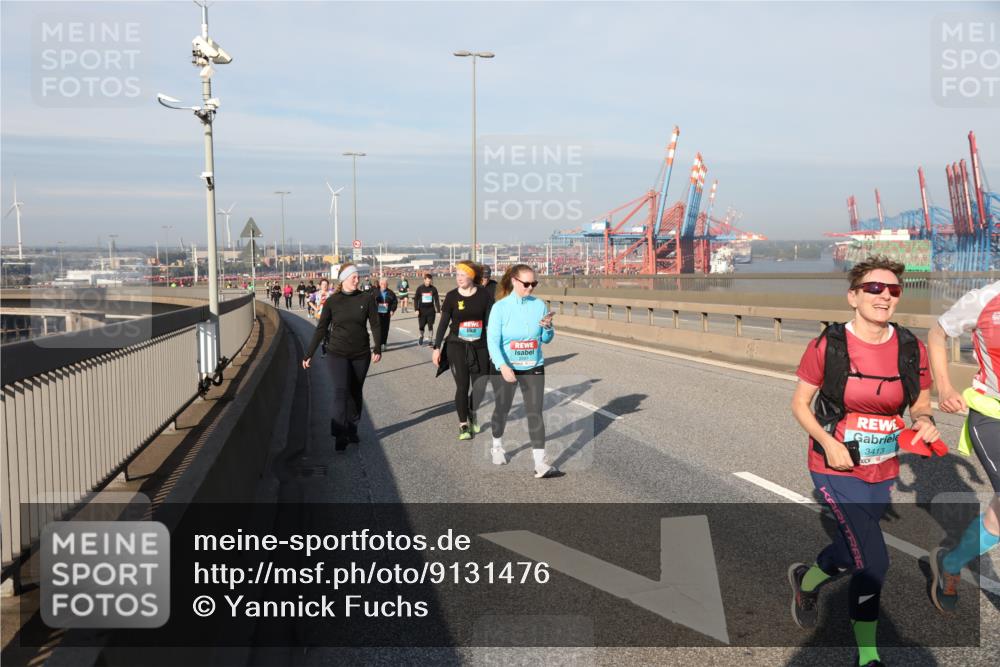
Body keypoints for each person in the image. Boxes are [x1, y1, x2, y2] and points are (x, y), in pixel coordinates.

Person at [788, 256, 938, 667]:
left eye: (892, 290)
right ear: (853, 296)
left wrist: (924, 422)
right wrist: (827, 442)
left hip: (882, 466)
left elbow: (920, 401)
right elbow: (800, 404)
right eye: (873, 288)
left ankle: (807, 580)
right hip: (834, 465)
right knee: (873, 561)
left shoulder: (911, 346)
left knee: (850, 548)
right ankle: (868, 656)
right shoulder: (828, 346)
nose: (884, 296)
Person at [927, 281, 1000, 612]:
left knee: (998, 519)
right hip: (992, 415)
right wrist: (944, 387)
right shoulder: (984, 299)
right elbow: (937, 333)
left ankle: (951, 564)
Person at [486, 263, 560, 476]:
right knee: (502, 409)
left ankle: (540, 463)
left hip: (533, 366)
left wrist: (547, 327)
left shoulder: (539, 305)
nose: (530, 288)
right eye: (526, 284)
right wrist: (502, 366)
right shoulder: (500, 307)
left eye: (534, 284)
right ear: (514, 281)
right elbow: (492, 341)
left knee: (535, 412)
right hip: (506, 366)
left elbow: (546, 339)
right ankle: (497, 445)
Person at [302, 263, 382, 450]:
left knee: (355, 390)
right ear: (344, 279)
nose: (357, 279)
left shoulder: (367, 298)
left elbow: (375, 324)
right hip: (337, 352)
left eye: (357, 277)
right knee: (340, 390)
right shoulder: (333, 301)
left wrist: (377, 347)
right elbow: (322, 328)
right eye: (353, 277)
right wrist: (309, 354)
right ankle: (339, 432)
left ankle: (352, 426)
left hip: (361, 353)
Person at [433, 260, 494, 441]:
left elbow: (491, 321)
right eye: (457, 274)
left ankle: (472, 411)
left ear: (471, 276)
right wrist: (436, 347)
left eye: (462, 274)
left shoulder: (484, 295)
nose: (459, 278)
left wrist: (495, 345)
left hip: (480, 345)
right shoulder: (452, 296)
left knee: (480, 386)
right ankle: (463, 424)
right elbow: (443, 323)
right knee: (462, 385)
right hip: (457, 345)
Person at [413, 273, 441, 346]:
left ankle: (430, 340)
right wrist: (416, 309)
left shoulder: (433, 289)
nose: (429, 282)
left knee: (430, 325)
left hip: (431, 310)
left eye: (430, 281)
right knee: (421, 326)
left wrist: (438, 311)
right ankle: (421, 336)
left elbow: (437, 300)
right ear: (424, 280)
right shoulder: (420, 288)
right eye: (427, 281)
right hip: (421, 311)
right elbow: (416, 299)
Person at [375, 277, 398, 351]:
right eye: (382, 284)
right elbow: (370, 302)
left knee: (385, 329)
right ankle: (378, 344)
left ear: (387, 284)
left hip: (386, 314)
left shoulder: (391, 293)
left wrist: (392, 310)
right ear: (379, 284)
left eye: (385, 284)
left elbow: (395, 302)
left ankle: (383, 343)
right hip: (377, 314)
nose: (384, 285)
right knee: (378, 329)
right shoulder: (375, 292)